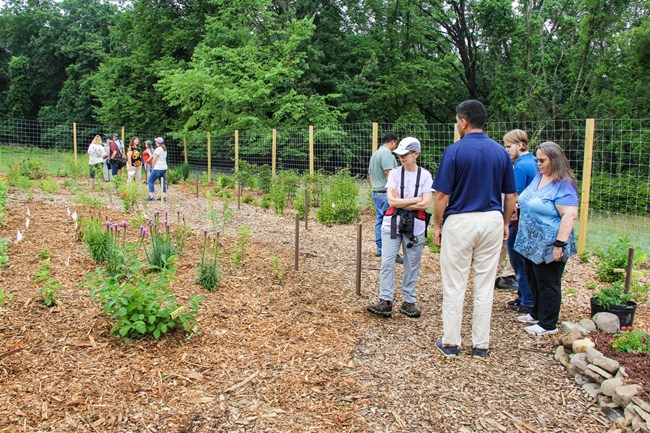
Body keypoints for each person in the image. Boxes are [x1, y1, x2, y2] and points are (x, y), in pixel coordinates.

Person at [433, 100, 516, 359]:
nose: (457, 124)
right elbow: (510, 194)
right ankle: (481, 345)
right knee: (484, 283)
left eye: (457, 120)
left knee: (455, 283)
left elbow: (441, 195)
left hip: (461, 220)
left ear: (464, 121)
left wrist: (437, 224)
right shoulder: (500, 152)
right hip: (490, 218)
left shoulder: (455, 151)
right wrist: (504, 221)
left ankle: (451, 342)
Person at [514, 141, 579, 336]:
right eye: (537, 159)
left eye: (542, 160)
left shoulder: (564, 184)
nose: (538, 163)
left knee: (548, 282)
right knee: (533, 278)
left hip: (549, 243)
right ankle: (536, 313)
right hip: (530, 242)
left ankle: (548, 323)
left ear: (554, 160)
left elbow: (569, 215)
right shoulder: (539, 177)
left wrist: (559, 244)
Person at [367, 137, 433, 319]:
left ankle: (408, 301)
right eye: (400, 155)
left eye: (406, 154)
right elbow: (391, 201)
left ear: (416, 154)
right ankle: (385, 300)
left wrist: (403, 203)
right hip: (392, 224)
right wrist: (415, 200)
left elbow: (426, 204)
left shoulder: (425, 175)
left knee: (412, 264)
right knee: (387, 262)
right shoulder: (395, 174)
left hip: (416, 226)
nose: (402, 158)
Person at [503, 129, 539, 313]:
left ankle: (527, 300)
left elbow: (513, 195)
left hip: (518, 221)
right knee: (526, 261)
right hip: (531, 221)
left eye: (509, 146)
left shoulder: (520, 167)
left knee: (518, 261)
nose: (507, 150)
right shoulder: (534, 162)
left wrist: (506, 218)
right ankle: (524, 296)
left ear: (521, 145)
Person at [368, 133, 403, 264]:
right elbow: (389, 173)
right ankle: (390, 251)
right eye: (396, 143)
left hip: (377, 191)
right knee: (390, 221)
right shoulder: (387, 155)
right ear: (393, 142)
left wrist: (372, 189)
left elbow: (370, 175)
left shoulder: (375, 154)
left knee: (380, 220)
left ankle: (380, 248)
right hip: (385, 192)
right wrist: (395, 192)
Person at [147, 137, 168, 201]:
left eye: (156, 141)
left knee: (150, 181)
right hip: (164, 168)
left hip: (158, 168)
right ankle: (163, 196)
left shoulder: (158, 149)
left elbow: (154, 159)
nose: (155, 142)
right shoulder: (164, 149)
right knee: (162, 182)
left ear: (158, 143)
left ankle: (151, 196)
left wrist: (152, 165)